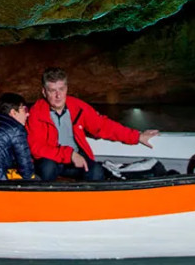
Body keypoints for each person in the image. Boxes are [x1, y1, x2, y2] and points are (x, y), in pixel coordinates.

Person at [26, 68, 158, 182]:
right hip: (51, 161)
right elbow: (36, 148)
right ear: (44, 92)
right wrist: (69, 154)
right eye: (52, 90)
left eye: (61, 89)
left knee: (95, 171)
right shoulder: (36, 113)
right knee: (46, 168)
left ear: (67, 88)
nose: (58, 95)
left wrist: (136, 136)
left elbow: (103, 126)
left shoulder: (78, 107)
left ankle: (89, 207)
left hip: (75, 161)